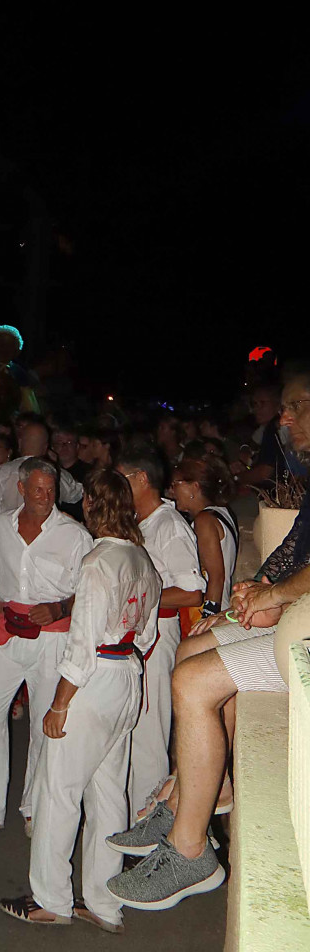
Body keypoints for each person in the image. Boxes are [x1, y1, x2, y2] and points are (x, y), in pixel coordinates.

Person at [107, 373, 310, 908]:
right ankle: (203, 788)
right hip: (298, 616)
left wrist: (273, 595)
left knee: (194, 681)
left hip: (305, 633)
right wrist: (257, 591)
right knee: (193, 648)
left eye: (296, 406)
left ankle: (190, 849)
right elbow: (296, 547)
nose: (284, 418)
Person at [0, 470, 162, 929]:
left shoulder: (97, 562)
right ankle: (105, 902)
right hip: (127, 674)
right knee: (109, 793)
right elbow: (146, 634)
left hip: (95, 678)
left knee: (59, 790)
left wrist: (59, 703)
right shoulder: (142, 561)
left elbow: (82, 643)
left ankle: (51, 898)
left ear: (91, 504)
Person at [0, 460, 92, 836]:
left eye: (51, 490)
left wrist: (60, 608)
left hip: (53, 638)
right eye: (38, 490)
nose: (45, 498)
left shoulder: (74, 534)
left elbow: (90, 591)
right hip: (9, 634)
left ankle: (35, 808)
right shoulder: (1, 526)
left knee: (43, 724)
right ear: (21, 489)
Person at [117, 445, 204, 815]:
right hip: (136, 634)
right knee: (132, 728)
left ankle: (150, 822)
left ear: (141, 479)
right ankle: (131, 816)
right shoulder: (139, 523)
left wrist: (136, 598)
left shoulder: (169, 526)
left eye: (121, 478)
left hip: (157, 635)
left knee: (150, 734)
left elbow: (192, 591)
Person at [0, 415, 83, 524]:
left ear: (20, 443)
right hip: (48, 532)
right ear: (46, 447)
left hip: (10, 532)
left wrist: (6, 510)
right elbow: (77, 494)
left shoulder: (1, 473)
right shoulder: (56, 473)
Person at [169, 454, 238, 613]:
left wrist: (208, 616)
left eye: (175, 484)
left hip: (209, 609)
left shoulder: (204, 521)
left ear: (194, 487)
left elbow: (216, 576)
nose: (171, 491)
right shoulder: (221, 512)